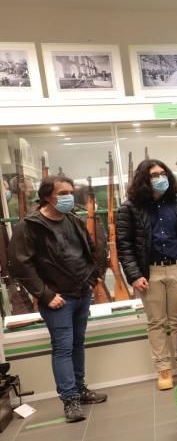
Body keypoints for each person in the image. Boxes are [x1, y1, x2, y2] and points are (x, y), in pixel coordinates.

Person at [10, 175, 108, 421]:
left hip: (81, 294)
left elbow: (89, 250)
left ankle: (80, 389)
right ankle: (70, 400)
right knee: (63, 348)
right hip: (57, 300)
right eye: (62, 193)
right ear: (46, 196)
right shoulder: (29, 226)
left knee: (77, 344)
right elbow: (21, 266)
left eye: (70, 192)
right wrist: (45, 295)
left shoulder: (73, 220)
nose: (68, 197)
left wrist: (93, 278)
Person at [117, 159, 177, 391]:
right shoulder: (130, 207)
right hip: (150, 272)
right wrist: (134, 275)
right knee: (156, 322)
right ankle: (163, 369)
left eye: (163, 173)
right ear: (143, 179)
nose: (160, 178)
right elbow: (124, 245)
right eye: (154, 175)